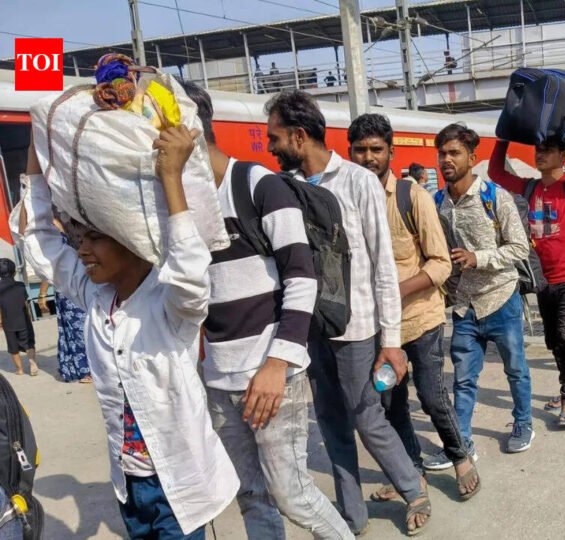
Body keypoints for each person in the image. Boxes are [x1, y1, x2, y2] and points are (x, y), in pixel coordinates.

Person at [17, 126, 240, 539]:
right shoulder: (95, 297)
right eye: (80, 238)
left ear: (133, 240)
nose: (82, 249)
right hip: (129, 488)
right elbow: (40, 241)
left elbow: (190, 271)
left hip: (179, 489)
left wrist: (171, 177)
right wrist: (37, 143)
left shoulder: (170, 305)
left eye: (96, 238)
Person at [180, 83, 352, 539]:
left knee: (292, 495)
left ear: (189, 127)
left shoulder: (258, 185)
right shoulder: (179, 203)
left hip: (270, 374)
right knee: (251, 495)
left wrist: (278, 364)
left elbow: (302, 277)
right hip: (219, 379)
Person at [264, 91, 429, 536]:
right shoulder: (284, 188)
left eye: (275, 137)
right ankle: (352, 516)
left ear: (299, 136)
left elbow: (382, 266)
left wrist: (390, 341)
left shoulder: (357, 181)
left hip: (357, 328)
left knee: (365, 415)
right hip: (309, 328)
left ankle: (413, 488)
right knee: (330, 421)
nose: (271, 147)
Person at [345, 114, 480, 502]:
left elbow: (440, 262)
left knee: (432, 396)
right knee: (392, 403)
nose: (368, 157)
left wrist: (393, 292)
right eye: (360, 150)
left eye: (376, 149)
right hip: (376, 329)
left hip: (419, 319)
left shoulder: (412, 196)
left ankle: (460, 457)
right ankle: (412, 473)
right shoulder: (346, 200)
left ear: (391, 152)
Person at [425, 122, 535, 469]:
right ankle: (461, 444)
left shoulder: (494, 197)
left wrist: (479, 258)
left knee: (515, 369)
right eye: (442, 154)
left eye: (454, 153)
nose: (446, 160)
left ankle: (523, 423)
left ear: (472, 158)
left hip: (501, 298)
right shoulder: (437, 203)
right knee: (463, 379)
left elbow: (519, 248)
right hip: (464, 306)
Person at [489, 86, 565, 428]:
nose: (540, 155)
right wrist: (505, 134)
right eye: (538, 149)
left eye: (547, 150)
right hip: (543, 279)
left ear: (564, 155)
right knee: (554, 339)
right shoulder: (530, 187)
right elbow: (496, 173)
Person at [48, 220, 92, 383]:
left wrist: (42, 293)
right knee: (70, 330)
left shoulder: (60, 243)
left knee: (78, 330)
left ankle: (89, 369)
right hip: (64, 292)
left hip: (70, 292)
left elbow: (51, 270)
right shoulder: (62, 240)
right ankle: (78, 368)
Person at [0, 259, 37, 377]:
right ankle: (32, 363)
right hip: (23, 320)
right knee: (29, 343)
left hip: (8, 322)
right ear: (14, 272)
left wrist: (0, 321)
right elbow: (25, 303)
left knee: (13, 347)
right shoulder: (21, 285)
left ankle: (20, 370)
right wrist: (29, 316)